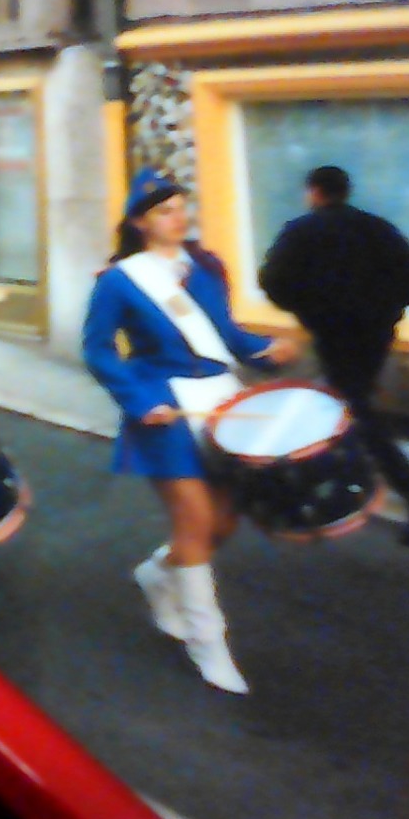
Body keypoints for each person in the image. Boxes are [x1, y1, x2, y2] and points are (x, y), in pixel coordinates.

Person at [82, 170, 299, 695]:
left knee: (222, 524)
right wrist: (139, 400)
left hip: (220, 400)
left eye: (181, 207)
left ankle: (160, 573)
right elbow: (98, 349)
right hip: (165, 407)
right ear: (139, 222)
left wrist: (264, 350)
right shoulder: (120, 280)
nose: (179, 218)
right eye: (164, 211)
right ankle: (208, 643)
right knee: (196, 519)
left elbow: (223, 332)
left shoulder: (206, 267)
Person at [258, 165, 409, 546]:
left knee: (355, 409)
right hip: (375, 334)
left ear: (314, 192)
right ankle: (347, 479)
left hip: (334, 334)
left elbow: (273, 282)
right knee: (349, 402)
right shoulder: (376, 227)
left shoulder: (301, 231)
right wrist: (386, 308)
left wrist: (310, 311)